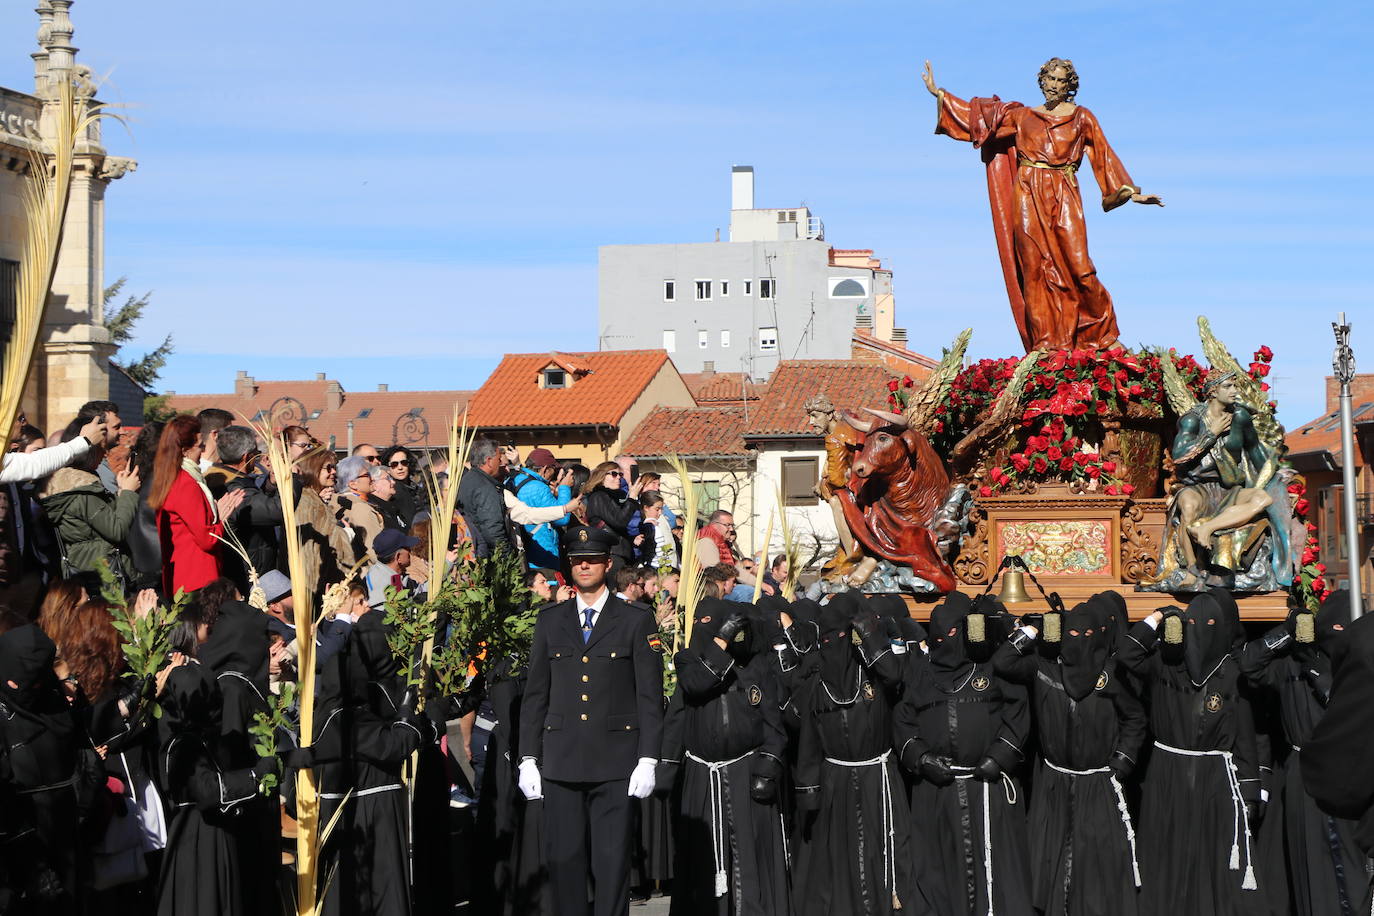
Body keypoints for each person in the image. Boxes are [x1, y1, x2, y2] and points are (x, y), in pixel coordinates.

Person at [922, 58, 1162, 351]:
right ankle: (1046, 343)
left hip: (1064, 192)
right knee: (1034, 268)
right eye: (1050, 79)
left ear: (1069, 86)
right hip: (1028, 191)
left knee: (1080, 266)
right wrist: (940, 95)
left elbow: (1104, 155)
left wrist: (1131, 194)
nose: (1054, 86)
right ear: (1042, 81)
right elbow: (981, 122)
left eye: (1061, 81)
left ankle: (1102, 335)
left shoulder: (1082, 118)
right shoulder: (1022, 117)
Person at [517, 525, 664, 916]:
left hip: (615, 762)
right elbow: (536, 695)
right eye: (578, 560)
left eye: (593, 560)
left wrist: (649, 758)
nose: (584, 565)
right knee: (564, 866)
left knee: (612, 866)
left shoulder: (635, 619)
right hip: (562, 761)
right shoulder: (550, 620)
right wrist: (528, 756)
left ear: (608, 564)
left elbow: (649, 696)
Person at [994, 595, 1146, 916]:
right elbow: (1002, 661)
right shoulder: (1045, 667)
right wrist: (1032, 631)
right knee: (1050, 855)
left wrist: (1122, 761)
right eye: (1072, 635)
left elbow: (1135, 718)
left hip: (1099, 781)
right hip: (1054, 781)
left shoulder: (1112, 674)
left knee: (1095, 859)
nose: (1078, 643)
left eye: (1087, 636)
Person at [1120, 592, 1263, 913]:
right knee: (1168, 851)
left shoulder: (1232, 673)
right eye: (1194, 623)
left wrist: (1250, 791)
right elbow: (1127, 653)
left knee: (1209, 855)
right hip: (1167, 774)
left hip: (1215, 780)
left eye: (1210, 624)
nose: (1201, 631)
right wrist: (1156, 618)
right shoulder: (1166, 662)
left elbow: (1244, 736)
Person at [794, 592, 924, 915]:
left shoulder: (872, 672)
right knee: (842, 855)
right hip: (835, 780)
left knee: (881, 850)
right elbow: (809, 739)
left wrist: (870, 634)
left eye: (839, 635)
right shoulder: (817, 681)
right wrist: (809, 789)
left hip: (878, 776)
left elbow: (895, 675)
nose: (833, 643)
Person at [1240, 591, 1370, 915]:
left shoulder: (1353, 667)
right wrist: (1286, 630)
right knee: (1304, 863)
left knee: (1341, 865)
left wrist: (1318, 676)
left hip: (1340, 771)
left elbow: (1344, 707)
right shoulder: (1292, 664)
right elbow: (1250, 664)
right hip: (1300, 770)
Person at [668, 597, 790, 914]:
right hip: (702, 778)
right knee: (703, 862)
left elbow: (773, 724)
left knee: (750, 861)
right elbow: (694, 689)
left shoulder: (754, 667)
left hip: (744, 771)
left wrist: (767, 767)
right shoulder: (687, 662)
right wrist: (719, 640)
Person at [148, 416, 244, 596]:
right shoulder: (185, 483)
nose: (204, 449)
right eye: (200, 445)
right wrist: (221, 518)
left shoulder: (173, 478)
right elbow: (206, 539)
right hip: (196, 579)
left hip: (185, 577)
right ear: (185, 450)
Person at [38, 425, 141, 584]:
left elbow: (100, 522)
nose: (105, 454)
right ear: (88, 449)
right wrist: (128, 492)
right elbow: (116, 530)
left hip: (90, 570)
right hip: (101, 576)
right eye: (101, 448)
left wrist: (120, 492)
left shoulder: (70, 484)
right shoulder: (82, 490)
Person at [294, 449, 357, 599]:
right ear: (312, 468)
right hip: (314, 588)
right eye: (328, 468)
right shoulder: (307, 503)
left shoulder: (314, 500)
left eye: (334, 467)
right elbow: (310, 552)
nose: (334, 472)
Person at [509, 448, 575, 570]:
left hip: (522, 552)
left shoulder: (513, 480)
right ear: (545, 469)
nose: (553, 474)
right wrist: (564, 488)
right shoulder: (539, 487)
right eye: (553, 470)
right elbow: (562, 518)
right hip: (542, 555)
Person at [457, 439, 515, 559]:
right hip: (487, 555)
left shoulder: (467, 480)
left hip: (472, 550)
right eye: (499, 460)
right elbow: (492, 529)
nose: (501, 464)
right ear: (489, 461)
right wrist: (507, 556)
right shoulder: (485, 488)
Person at [582, 461, 643, 570]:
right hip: (610, 552)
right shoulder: (599, 496)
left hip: (619, 552)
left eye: (620, 475)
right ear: (601, 476)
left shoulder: (614, 498)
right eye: (614, 474)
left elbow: (616, 525)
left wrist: (631, 538)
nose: (618, 478)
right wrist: (632, 498)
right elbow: (619, 521)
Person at [336, 455, 385, 554]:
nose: (372, 479)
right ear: (353, 484)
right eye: (367, 475)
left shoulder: (342, 503)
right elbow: (375, 550)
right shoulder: (361, 509)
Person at [381, 446, 423, 529]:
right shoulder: (392, 490)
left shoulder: (415, 487)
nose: (400, 468)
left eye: (404, 462)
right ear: (387, 468)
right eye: (394, 464)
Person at [638, 492, 676, 568]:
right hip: (656, 567)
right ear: (646, 508)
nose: (660, 512)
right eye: (657, 509)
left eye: (661, 509)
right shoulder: (652, 527)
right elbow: (658, 551)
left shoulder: (649, 524)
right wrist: (665, 567)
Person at [196, 409, 234, 474]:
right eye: (230, 432)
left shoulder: (230, 469)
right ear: (215, 434)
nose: (234, 437)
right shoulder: (196, 473)